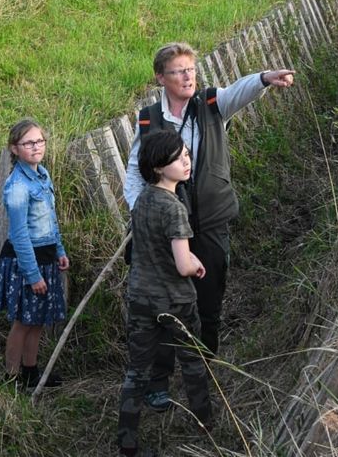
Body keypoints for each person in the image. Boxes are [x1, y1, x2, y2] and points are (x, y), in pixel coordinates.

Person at [122, 41, 295, 409]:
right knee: (165, 302)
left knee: (209, 297)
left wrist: (265, 78)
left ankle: (203, 367)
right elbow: (135, 175)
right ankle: (159, 382)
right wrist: (145, 216)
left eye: (191, 70)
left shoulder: (212, 105)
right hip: (167, 230)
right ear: (160, 78)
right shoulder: (149, 119)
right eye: (178, 71)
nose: (187, 76)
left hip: (212, 221)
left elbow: (239, 91)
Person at [118, 130, 211, 456]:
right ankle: (207, 425)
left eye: (186, 153)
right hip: (175, 300)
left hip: (141, 297)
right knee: (193, 363)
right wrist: (195, 264)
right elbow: (183, 263)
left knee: (137, 372)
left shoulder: (143, 199)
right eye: (178, 157)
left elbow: (147, 248)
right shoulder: (174, 208)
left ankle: (126, 442)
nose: (187, 160)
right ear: (158, 166)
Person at [0, 118, 70, 388]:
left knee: (37, 320)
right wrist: (32, 274)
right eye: (28, 143)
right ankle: (12, 378)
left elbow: (50, 218)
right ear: (15, 149)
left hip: (46, 254)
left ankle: (31, 372)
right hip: (26, 261)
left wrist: (59, 250)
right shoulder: (17, 186)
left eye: (40, 141)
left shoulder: (42, 174)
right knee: (23, 323)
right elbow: (19, 235)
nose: (36, 147)